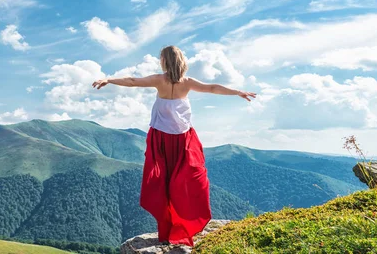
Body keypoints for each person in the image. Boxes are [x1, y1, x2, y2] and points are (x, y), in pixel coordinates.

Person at [92, 45, 256, 246]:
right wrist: (237, 92)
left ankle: (171, 228)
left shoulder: (159, 80)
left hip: (160, 139)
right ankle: (182, 226)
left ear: (165, 61)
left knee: (163, 183)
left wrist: (109, 79)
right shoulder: (187, 83)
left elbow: (133, 81)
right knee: (186, 180)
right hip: (182, 140)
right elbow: (212, 87)